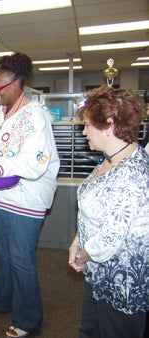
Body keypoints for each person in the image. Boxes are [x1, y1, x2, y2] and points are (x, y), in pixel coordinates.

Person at [0, 52, 60, 338]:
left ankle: (29, 320)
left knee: (21, 260)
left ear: (17, 83)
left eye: (0, 87)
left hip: (25, 202)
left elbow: (35, 161)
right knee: (6, 255)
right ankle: (1, 299)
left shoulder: (35, 115)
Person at [67, 85, 148, 338]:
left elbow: (112, 235)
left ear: (109, 125)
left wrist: (81, 257)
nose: (84, 131)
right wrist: (76, 243)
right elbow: (93, 212)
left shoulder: (133, 171)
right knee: (89, 332)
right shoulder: (112, 158)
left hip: (122, 281)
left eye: (88, 125)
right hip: (98, 272)